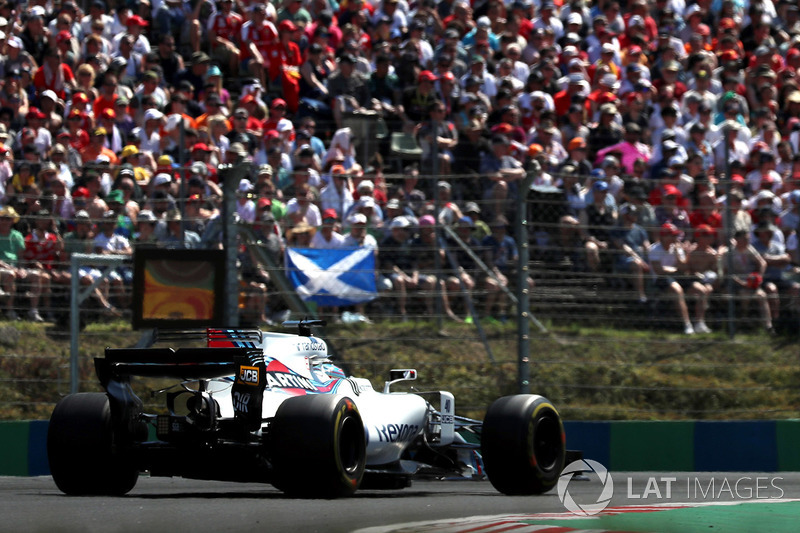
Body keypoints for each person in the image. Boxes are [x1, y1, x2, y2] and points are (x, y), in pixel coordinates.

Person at [648, 223, 711, 335]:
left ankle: (699, 323)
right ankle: (687, 324)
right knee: (677, 290)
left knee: (701, 290)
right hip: (661, 279)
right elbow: (659, 270)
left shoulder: (676, 248)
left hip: (677, 276)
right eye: (671, 235)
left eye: (675, 235)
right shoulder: (654, 249)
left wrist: (678, 254)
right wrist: (675, 269)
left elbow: (684, 268)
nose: (674, 238)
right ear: (663, 236)